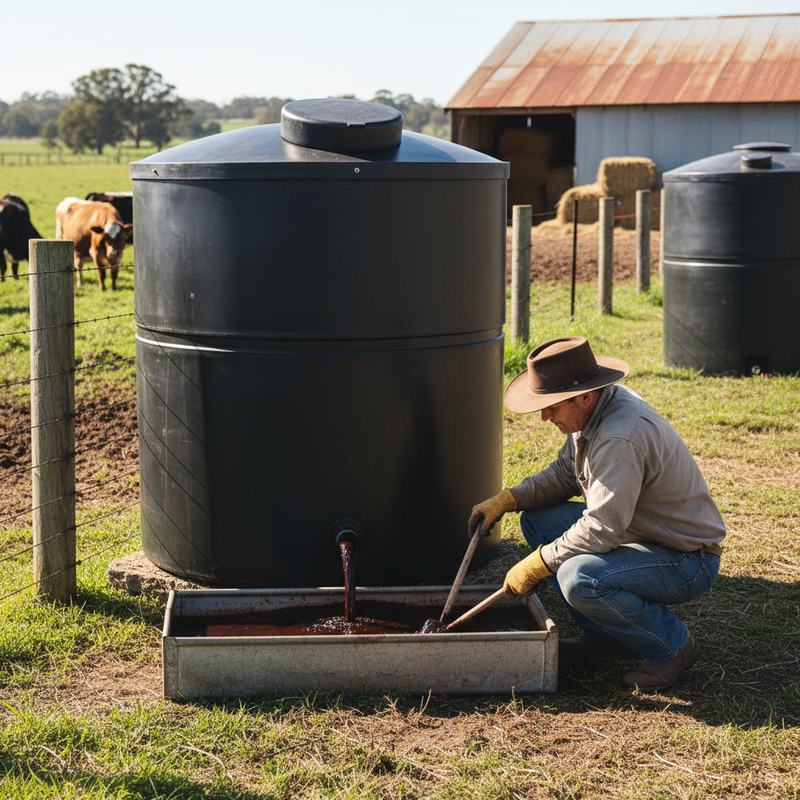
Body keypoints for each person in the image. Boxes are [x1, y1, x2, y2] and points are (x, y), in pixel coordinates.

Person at [469, 337, 725, 692]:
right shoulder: (593, 413)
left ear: (584, 396)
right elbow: (564, 474)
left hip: (685, 558)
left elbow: (603, 529)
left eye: (552, 407)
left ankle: (673, 648)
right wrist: (511, 499)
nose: (544, 416)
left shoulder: (619, 437)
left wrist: (537, 563)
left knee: (579, 577)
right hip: (639, 533)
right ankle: (603, 633)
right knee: (538, 522)